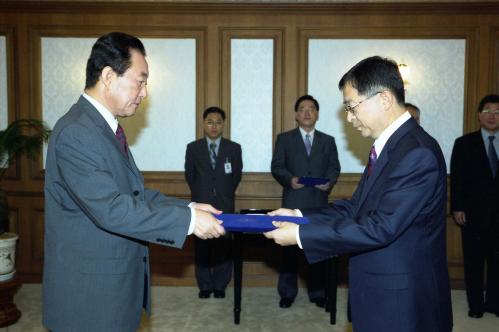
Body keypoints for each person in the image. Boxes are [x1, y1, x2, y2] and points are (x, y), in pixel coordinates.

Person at [43, 32, 225, 332]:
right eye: (140, 81)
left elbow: (134, 194)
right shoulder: (77, 132)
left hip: (112, 291)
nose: (144, 92)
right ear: (108, 76)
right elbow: (113, 209)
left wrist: (188, 207)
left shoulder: (103, 128)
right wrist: (189, 221)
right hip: (90, 299)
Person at [265, 56, 453, 332]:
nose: (350, 118)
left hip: (403, 300)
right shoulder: (390, 148)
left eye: (352, 107)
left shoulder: (416, 152)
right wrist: (299, 216)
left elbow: (381, 226)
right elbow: (356, 208)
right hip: (378, 288)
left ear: (384, 99)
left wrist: (300, 235)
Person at [270, 94, 341, 309]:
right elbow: (277, 166)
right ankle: (287, 293)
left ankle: (318, 292)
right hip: (293, 200)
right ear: (296, 115)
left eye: (311, 109)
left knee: (317, 249)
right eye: (302, 109)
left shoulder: (328, 141)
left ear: (317, 114)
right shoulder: (284, 138)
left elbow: (334, 167)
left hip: (318, 202)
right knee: (288, 251)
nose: (307, 112)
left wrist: (329, 183)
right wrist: (289, 179)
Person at [185, 106, 242, 299]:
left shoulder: (233, 148)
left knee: (224, 247)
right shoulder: (193, 148)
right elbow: (190, 177)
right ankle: (205, 286)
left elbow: (236, 177)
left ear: (224, 124)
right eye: (210, 122)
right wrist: (203, 194)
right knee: (201, 247)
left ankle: (220, 285)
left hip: (225, 204)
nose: (214, 126)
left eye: (218, 122)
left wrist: (222, 193)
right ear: (203, 124)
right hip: (201, 204)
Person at [450, 94, 499, 319]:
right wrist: (457, 207)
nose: (492, 116)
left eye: (497, 111)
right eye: (487, 111)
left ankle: (495, 304)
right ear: (479, 115)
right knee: (474, 263)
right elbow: (457, 179)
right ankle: (476, 306)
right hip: (472, 214)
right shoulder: (464, 144)